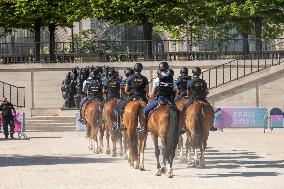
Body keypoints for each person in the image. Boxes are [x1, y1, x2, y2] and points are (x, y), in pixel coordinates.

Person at [138, 61, 178, 135]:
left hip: (160, 99)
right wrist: (172, 97)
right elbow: (177, 91)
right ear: (167, 68)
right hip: (169, 100)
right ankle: (179, 128)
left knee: (145, 110)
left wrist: (149, 95)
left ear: (160, 69)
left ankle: (144, 128)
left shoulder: (157, 79)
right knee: (177, 112)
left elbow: (152, 94)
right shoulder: (171, 79)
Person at [113, 63, 149, 131]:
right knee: (150, 110)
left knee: (118, 108)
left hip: (132, 97)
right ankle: (146, 126)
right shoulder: (144, 78)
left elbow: (126, 90)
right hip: (142, 97)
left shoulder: (130, 78)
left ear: (134, 69)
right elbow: (147, 90)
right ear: (141, 69)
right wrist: (142, 88)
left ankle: (118, 125)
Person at [183, 67, 218, 131]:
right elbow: (207, 92)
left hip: (193, 99)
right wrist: (203, 96)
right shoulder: (203, 81)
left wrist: (189, 96)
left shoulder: (190, 82)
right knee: (211, 110)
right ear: (199, 74)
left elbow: (188, 93)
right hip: (202, 99)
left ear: (193, 73)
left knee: (184, 110)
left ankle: (183, 125)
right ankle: (211, 125)